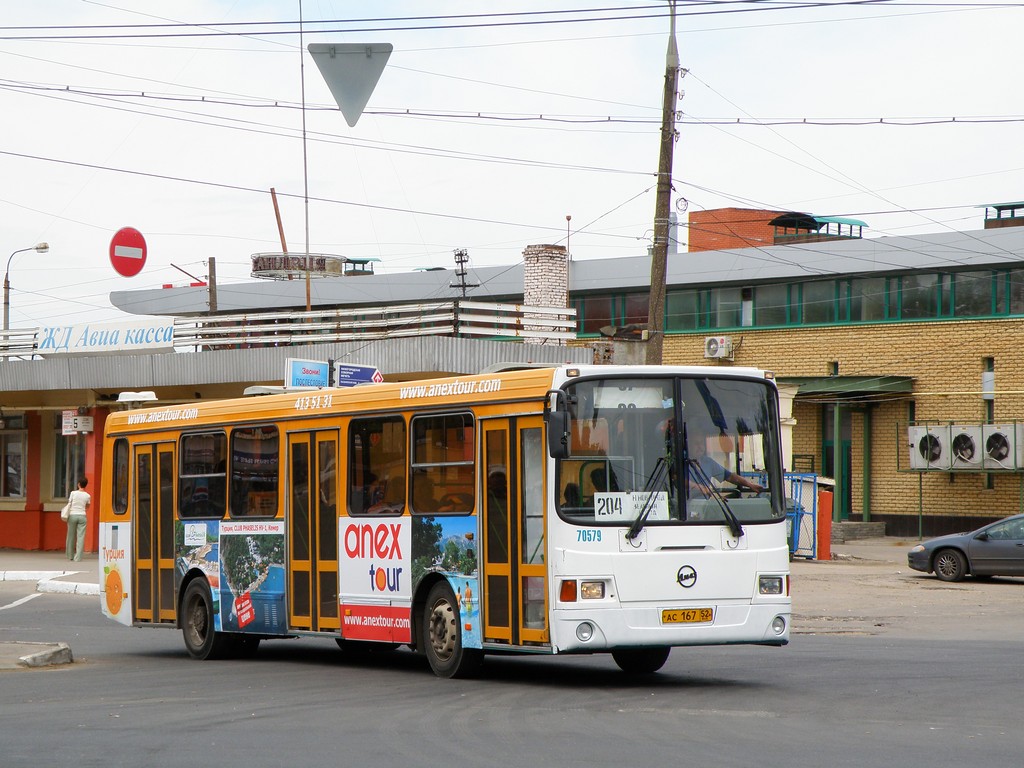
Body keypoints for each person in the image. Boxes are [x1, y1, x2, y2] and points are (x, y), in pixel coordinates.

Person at [686, 430, 764, 496]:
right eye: (696, 443)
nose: (700, 446)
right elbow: (676, 479)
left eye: (701, 443)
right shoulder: (683, 462)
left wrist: (749, 484)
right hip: (686, 506)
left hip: (704, 506)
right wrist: (698, 487)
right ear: (689, 445)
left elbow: (729, 476)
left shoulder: (708, 462)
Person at [65, 477, 91, 562]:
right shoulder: (87, 495)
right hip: (82, 516)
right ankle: (78, 557)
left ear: (78, 484)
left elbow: (70, 503)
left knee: (71, 536)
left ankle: (70, 555)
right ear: (86, 485)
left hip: (72, 515)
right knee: (81, 536)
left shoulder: (73, 493)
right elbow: (87, 506)